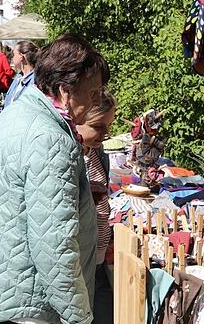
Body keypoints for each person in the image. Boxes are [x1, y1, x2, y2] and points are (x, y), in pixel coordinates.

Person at [0, 34, 109, 323]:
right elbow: (55, 244)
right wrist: (78, 316)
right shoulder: (49, 139)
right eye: (93, 92)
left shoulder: (16, 114)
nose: (97, 100)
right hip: (24, 299)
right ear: (65, 91)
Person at [77, 92, 117, 324]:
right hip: (80, 258)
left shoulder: (98, 154)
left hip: (98, 254)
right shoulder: (70, 159)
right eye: (98, 126)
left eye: (108, 126)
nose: (105, 134)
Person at [5, 40, 38, 106]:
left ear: (21, 57)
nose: (12, 57)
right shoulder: (18, 78)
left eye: (13, 54)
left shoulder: (34, 82)